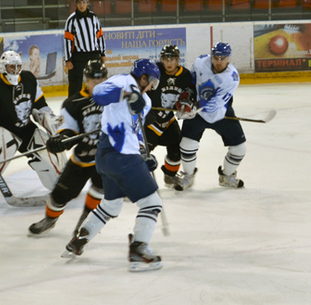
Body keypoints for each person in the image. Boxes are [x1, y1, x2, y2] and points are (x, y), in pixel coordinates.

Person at [62, 58, 164, 272]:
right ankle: (138, 251)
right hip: (120, 156)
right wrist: (128, 94)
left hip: (110, 157)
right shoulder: (124, 81)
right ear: (143, 77)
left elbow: (136, 132)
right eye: (151, 82)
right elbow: (98, 93)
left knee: (111, 204)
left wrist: (144, 156)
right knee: (152, 203)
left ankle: (80, 239)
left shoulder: (144, 102)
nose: (152, 87)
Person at [0, 50, 64, 197]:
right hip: (4, 134)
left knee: (51, 154)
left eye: (17, 66)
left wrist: (51, 119)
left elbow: (40, 104)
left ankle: (62, 185)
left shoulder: (29, 79)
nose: (15, 70)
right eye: (11, 67)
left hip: (26, 130)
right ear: (3, 67)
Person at [28, 59, 107, 236]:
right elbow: (68, 130)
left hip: (105, 159)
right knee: (59, 194)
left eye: (103, 80)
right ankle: (50, 219)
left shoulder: (115, 99)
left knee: (99, 188)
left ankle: (86, 220)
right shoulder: (73, 103)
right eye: (95, 82)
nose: (100, 85)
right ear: (86, 81)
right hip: (82, 159)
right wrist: (62, 140)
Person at [174, 42, 246, 191]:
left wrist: (193, 106)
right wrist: (189, 95)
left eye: (223, 59)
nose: (219, 62)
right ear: (212, 56)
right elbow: (192, 80)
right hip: (198, 114)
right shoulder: (200, 62)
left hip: (221, 113)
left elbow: (214, 105)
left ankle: (226, 176)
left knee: (239, 148)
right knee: (187, 145)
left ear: (229, 59)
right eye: (216, 58)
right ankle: (188, 176)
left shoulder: (231, 78)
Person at [143, 45, 192, 187]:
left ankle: (170, 176)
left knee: (177, 148)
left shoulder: (186, 75)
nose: (169, 63)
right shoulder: (155, 70)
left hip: (169, 121)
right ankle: (132, 181)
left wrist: (186, 105)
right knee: (141, 153)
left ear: (178, 60)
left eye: (172, 59)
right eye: (166, 59)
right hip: (151, 122)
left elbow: (190, 93)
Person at [64, 0, 106, 98]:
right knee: (75, 83)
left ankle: (98, 102)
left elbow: (99, 36)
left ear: (88, 3)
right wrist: (68, 59)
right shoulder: (71, 20)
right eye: (79, 2)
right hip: (78, 56)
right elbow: (68, 40)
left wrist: (102, 53)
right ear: (76, 4)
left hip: (93, 54)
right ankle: (73, 106)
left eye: (84, 2)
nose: (82, 5)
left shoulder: (94, 18)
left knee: (97, 80)